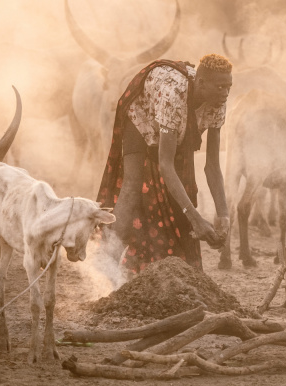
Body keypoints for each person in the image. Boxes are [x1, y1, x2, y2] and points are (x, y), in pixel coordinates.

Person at [97, 54, 233, 273]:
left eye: (228, 87)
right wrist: (196, 219)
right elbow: (165, 165)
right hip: (142, 114)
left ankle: (173, 272)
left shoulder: (218, 102)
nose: (225, 94)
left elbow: (213, 166)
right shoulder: (174, 95)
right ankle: (106, 266)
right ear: (201, 83)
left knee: (181, 193)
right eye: (219, 87)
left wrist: (224, 215)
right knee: (132, 187)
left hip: (173, 124)